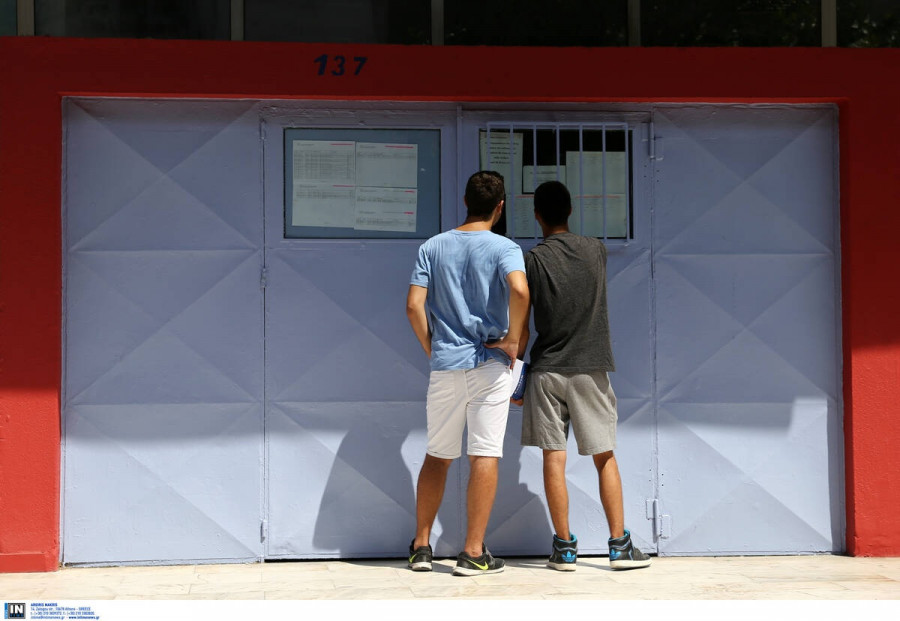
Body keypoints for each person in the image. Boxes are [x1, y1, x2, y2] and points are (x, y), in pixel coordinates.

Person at [517, 180, 651, 571]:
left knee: (553, 458)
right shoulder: (596, 249)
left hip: (546, 370)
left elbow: (523, 319)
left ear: (537, 215)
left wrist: (516, 375)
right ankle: (619, 546)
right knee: (604, 455)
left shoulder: (533, 259)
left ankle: (563, 549)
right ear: (571, 211)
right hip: (590, 368)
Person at [405, 170, 529, 576]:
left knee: (437, 454)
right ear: (500, 207)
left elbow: (413, 306)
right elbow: (520, 290)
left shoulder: (433, 246)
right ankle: (473, 552)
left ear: (465, 202)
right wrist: (513, 339)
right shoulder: (505, 247)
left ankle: (421, 547)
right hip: (489, 365)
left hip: (446, 364)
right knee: (484, 454)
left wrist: (433, 348)